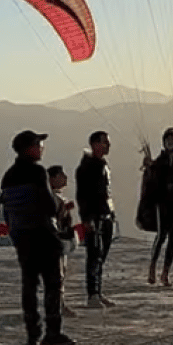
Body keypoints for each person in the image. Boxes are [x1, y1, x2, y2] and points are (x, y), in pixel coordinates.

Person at [0, 130, 76, 345]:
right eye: (39, 144)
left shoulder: (8, 177)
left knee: (29, 285)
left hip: (22, 237)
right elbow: (49, 206)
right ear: (30, 148)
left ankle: (32, 334)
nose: (42, 147)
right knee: (53, 284)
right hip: (43, 235)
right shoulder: (37, 172)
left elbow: (7, 212)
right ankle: (53, 333)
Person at [141, 127, 173, 286]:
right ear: (164, 143)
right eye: (168, 141)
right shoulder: (160, 161)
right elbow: (153, 179)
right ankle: (152, 267)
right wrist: (149, 166)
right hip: (163, 203)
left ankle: (165, 273)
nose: (170, 143)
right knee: (162, 235)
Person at [75, 130, 116, 308]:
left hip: (106, 214)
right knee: (94, 254)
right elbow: (82, 195)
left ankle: (98, 292)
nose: (108, 145)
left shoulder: (102, 164)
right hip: (94, 216)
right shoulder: (87, 167)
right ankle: (92, 294)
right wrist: (86, 218)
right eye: (105, 142)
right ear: (94, 144)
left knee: (101, 255)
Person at [47, 165, 77, 318]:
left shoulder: (57, 197)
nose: (65, 177)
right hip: (55, 241)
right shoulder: (51, 198)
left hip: (61, 240)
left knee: (61, 274)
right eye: (61, 175)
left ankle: (60, 304)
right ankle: (57, 306)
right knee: (57, 275)